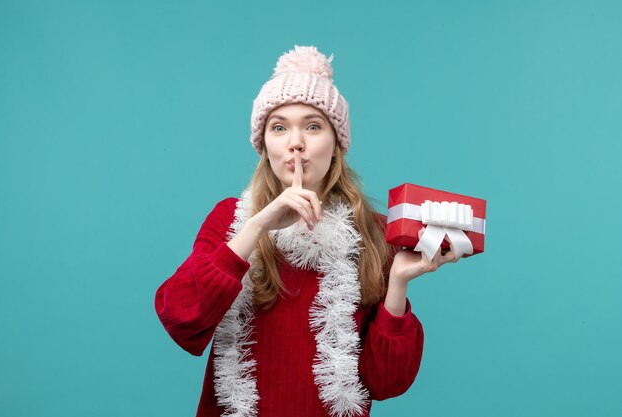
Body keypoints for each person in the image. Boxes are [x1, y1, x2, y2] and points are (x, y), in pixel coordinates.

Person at [154, 45, 459, 417]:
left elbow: (385, 384)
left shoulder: (374, 233)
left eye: (313, 126)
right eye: (279, 127)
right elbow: (182, 319)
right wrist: (257, 226)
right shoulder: (231, 219)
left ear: (337, 145)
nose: (295, 142)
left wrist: (397, 284)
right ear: (264, 146)